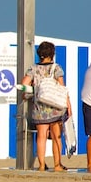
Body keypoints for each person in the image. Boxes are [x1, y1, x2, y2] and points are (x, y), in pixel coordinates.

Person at [18, 41, 68, 172]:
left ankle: (41, 165)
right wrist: (68, 105)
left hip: (39, 107)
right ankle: (57, 165)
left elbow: (24, 84)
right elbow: (62, 87)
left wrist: (30, 91)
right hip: (55, 106)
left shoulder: (33, 68)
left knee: (41, 136)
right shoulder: (56, 68)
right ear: (52, 54)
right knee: (56, 136)